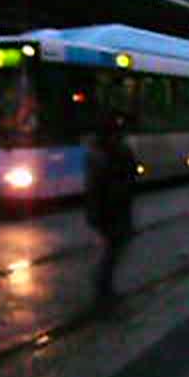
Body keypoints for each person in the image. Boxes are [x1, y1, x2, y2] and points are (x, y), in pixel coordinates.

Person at [85, 110, 137, 312]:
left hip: (106, 210)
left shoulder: (97, 152)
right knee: (113, 250)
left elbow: (94, 187)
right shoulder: (117, 152)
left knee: (112, 249)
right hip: (115, 210)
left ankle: (103, 289)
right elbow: (126, 179)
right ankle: (103, 291)